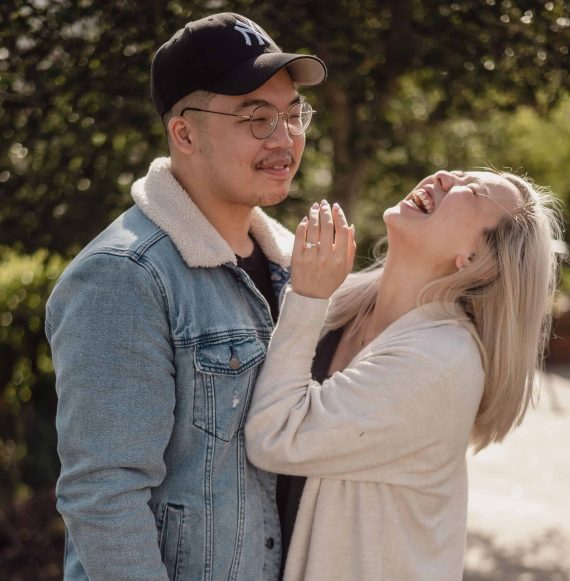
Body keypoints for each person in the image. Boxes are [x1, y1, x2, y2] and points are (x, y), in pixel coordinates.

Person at [45, 12, 326, 580]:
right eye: (256, 118)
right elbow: (104, 497)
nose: (285, 139)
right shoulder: (123, 275)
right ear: (185, 134)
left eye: (293, 115)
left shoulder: (295, 270)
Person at [245, 170, 563, 580]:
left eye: (474, 190)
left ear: (476, 261)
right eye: (459, 171)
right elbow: (260, 243)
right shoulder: (348, 300)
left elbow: (275, 437)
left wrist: (308, 298)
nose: (447, 176)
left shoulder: (439, 363)